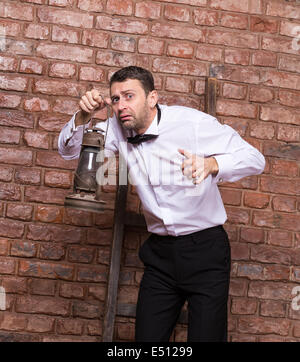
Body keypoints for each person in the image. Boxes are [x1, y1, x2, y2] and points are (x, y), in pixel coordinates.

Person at [58, 66, 265, 342]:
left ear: (152, 97)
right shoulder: (116, 129)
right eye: (116, 99)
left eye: (129, 96)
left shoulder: (191, 124)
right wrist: (83, 116)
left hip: (205, 250)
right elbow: (69, 151)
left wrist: (213, 163)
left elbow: (255, 159)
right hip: (160, 256)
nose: (121, 106)